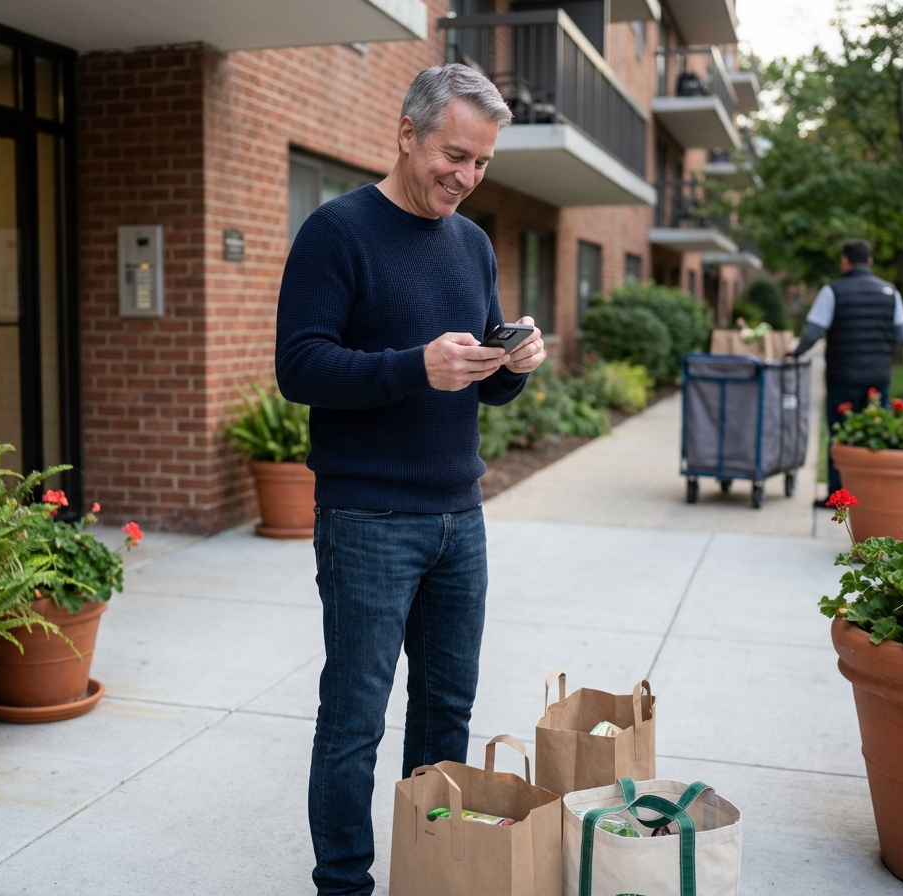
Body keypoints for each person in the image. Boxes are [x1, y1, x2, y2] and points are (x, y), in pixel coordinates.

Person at [274, 64, 547, 896]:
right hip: (366, 517)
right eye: (454, 156)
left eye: (481, 164)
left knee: (445, 712)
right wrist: (412, 367)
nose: (465, 178)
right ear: (407, 133)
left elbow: (476, 379)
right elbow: (300, 367)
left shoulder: (472, 243)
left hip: (459, 517)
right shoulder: (337, 231)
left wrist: (513, 364)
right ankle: (345, 885)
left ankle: (432, 870)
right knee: (354, 721)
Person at [792, 238, 903, 503]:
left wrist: (794, 353)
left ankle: (838, 497)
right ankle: (874, 496)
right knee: (876, 436)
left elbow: (813, 331)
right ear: (870, 261)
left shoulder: (833, 291)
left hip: (842, 378)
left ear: (845, 261)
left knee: (840, 436)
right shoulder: (890, 292)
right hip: (878, 381)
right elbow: (901, 337)